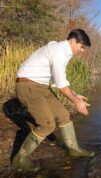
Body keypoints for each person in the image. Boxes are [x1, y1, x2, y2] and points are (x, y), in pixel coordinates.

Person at [12, 29, 95, 172]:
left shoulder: (61, 50)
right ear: (73, 41)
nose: (82, 51)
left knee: (63, 115)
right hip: (28, 85)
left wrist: (75, 94)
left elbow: (58, 80)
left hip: (42, 86)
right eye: (81, 46)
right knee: (47, 125)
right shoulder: (59, 52)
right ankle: (19, 159)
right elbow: (61, 85)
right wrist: (76, 101)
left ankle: (74, 149)